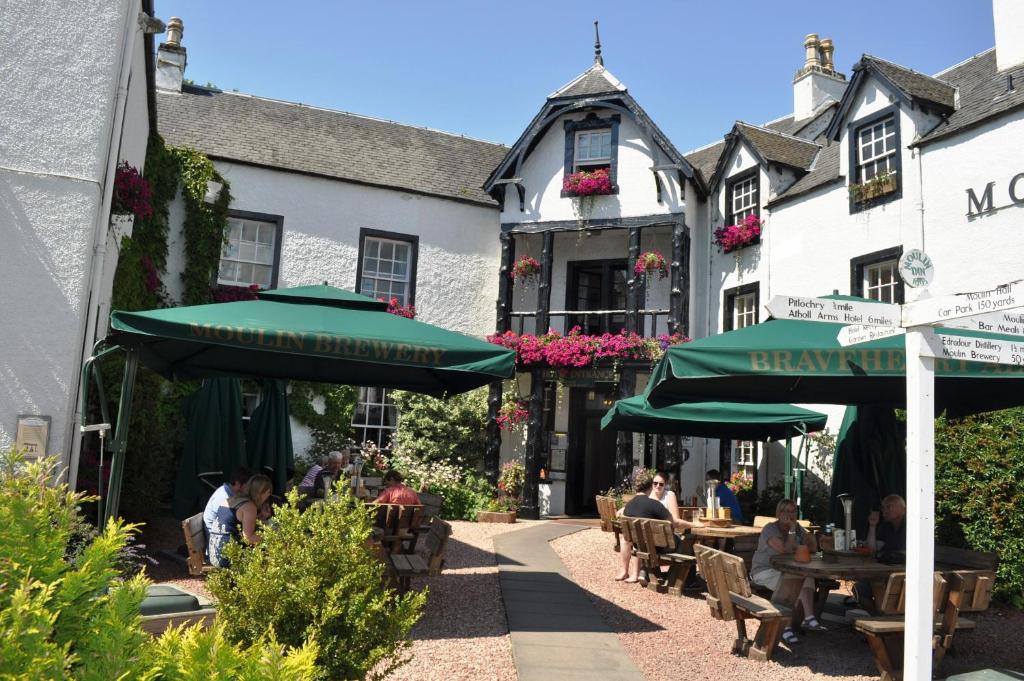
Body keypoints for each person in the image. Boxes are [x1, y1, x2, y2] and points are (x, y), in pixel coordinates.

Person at [750, 498, 824, 645]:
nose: (789, 514)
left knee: (807, 577)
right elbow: (784, 550)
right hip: (764, 571)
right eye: (785, 511)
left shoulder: (796, 528)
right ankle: (786, 628)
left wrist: (807, 535)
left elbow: (813, 548)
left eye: (793, 511)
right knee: (793, 583)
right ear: (778, 513)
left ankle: (809, 618)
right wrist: (793, 534)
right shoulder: (770, 529)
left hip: (787, 570)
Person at [616, 469, 703, 583]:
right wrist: (694, 524)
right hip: (661, 546)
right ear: (650, 487)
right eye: (654, 484)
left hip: (640, 545)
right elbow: (675, 523)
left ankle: (643, 572)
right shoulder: (655, 505)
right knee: (687, 542)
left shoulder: (629, 506)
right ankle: (689, 581)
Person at [852, 494, 907, 613]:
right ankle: (879, 616)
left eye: (889, 507)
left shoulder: (911, 525)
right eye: (883, 508)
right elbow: (872, 550)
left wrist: (891, 556)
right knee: (858, 588)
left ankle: (887, 618)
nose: (884, 511)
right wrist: (872, 526)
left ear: (903, 508)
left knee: (878, 583)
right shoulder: (886, 526)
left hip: (904, 576)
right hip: (886, 572)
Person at [207, 474, 273, 568]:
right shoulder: (250, 507)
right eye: (268, 492)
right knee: (273, 557)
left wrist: (261, 517)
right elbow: (249, 538)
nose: (269, 495)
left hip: (215, 554)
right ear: (260, 492)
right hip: (227, 558)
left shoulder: (232, 499)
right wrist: (272, 537)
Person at [203, 466, 251, 540]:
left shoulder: (232, 495)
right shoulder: (224, 497)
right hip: (215, 539)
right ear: (238, 484)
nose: (250, 489)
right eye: (248, 486)